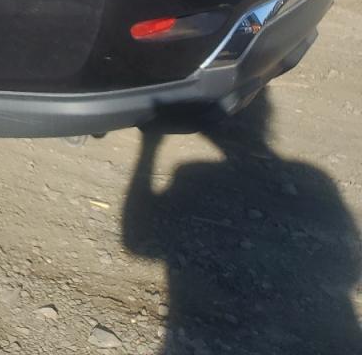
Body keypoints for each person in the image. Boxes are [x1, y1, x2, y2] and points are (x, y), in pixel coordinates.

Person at [123, 92, 361, 354]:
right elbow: (348, 268)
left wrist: (149, 147)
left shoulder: (192, 173)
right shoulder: (315, 179)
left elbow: (137, 240)